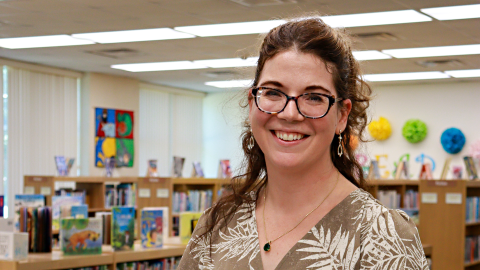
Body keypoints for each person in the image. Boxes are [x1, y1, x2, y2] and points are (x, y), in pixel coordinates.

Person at [178, 17, 428, 270]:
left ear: (342, 115)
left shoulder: (383, 235)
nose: (290, 113)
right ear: (253, 103)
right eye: (273, 92)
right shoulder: (216, 226)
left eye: (313, 97)